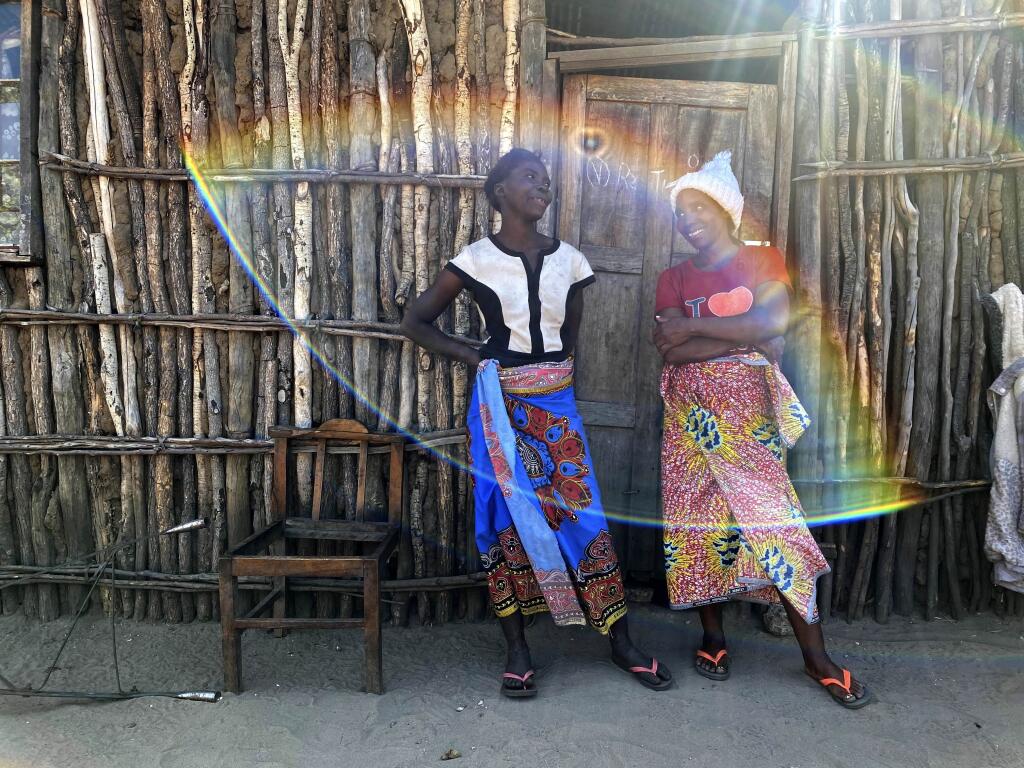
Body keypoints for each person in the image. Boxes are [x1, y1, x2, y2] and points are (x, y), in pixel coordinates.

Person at [402, 148, 673, 698]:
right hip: (498, 409)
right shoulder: (475, 259)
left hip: (556, 405)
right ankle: (518, 650)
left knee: (581, 514)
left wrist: (549, 376)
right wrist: (472, 355)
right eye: (530, 177)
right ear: (499, 191)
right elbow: (416, 321)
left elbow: (569, 339)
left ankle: (620, 642)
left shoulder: (571, 261)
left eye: (546, 181)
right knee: (502, 519)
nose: (542, 187)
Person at [653, 151, 870, 709]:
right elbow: (669, 349)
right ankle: (713, 637)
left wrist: (696, 327)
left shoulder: (762, 259)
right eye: (680, 212)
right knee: (696, 527)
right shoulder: (672, 277)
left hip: (749, 424)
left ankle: (816, 657)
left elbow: (774, 323)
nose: (688, 220)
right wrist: (743, 337)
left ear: (725, 210)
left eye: (698, 208)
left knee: (778, 526)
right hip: (689, 421)